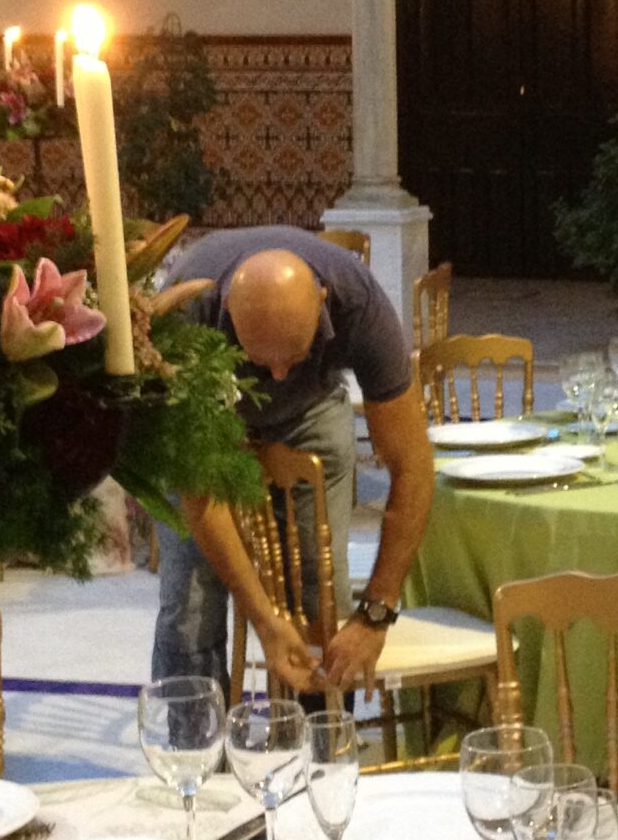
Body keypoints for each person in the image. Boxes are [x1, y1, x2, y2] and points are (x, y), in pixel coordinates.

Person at [151, 228, 435, 699]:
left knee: (318, 591)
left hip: (311, 409)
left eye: (294, 356)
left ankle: (322, 736)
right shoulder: (186, 311)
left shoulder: (359, 303)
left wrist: (376, 613)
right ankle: (194, 740)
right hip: (211, 415)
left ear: (322, 302)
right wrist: (264, 619)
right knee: (191, 603)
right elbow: (200, 497)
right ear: (228, 310)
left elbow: (413, 467)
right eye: (261, 362)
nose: (278, 375)